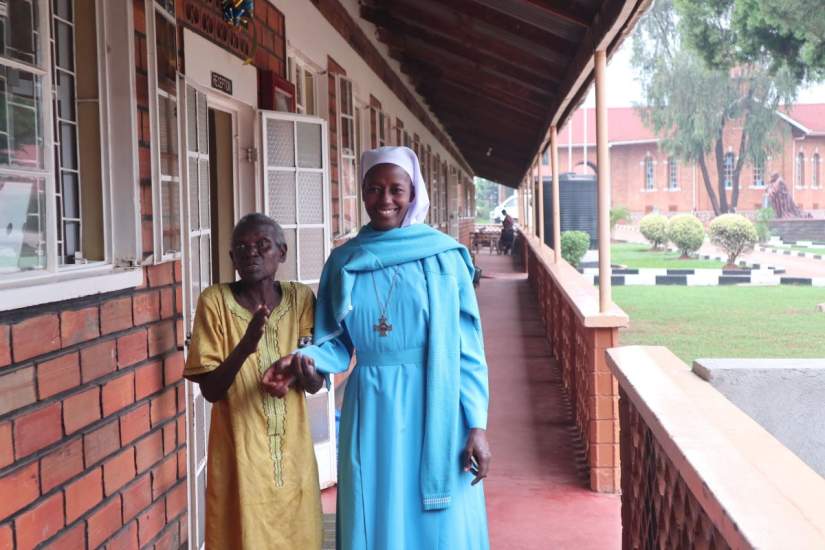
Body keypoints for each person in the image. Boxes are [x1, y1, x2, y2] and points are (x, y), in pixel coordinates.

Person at [263, 146, 491, 550]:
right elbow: (334, 343)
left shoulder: (445, 257)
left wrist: (477, 423)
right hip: (373, 404)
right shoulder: (345, 260)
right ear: (363, 193)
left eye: (395, 190)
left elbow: (468, 348)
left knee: (440, 522)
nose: (385, 200)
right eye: (374, 189)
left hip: (436, 401)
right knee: (377, 505)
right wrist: (305, 359)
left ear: (413, 192)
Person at [184, 213, 323, 549]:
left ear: (282, 252)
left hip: (292, 453)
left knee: (299, 533)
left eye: (263, 245)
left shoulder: (301, 298)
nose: (252, 253)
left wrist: (304, 370)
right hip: (239, 454)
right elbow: (211, 390)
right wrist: (245, 348)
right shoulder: (214, 301)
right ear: (232, 258)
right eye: (241, 248)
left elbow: (316, 384)